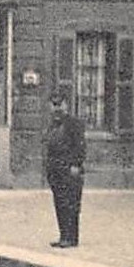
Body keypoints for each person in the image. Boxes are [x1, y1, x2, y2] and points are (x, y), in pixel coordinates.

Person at [44, 92, 86, 248]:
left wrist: (76, 164)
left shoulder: (74, 124)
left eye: (59, 104)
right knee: (60, 203)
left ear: (66, 105)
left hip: (70, 170)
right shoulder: (52, 125)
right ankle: (64, 236)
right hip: (56, 171)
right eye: (53, 105)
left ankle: (72, 238)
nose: (57, 108)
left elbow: (80, 146)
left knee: (71, 203)